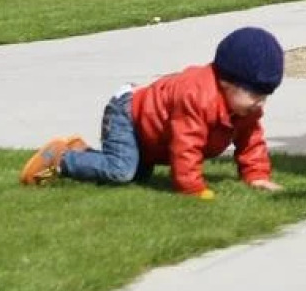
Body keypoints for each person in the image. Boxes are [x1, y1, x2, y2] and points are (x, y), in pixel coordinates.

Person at [19, 27, 286, 197]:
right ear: (228, 82)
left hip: (151, 134)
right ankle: (61, 159)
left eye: (266, 96)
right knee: (121, 172)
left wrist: (256, 176)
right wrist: (192, 188)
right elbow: (186, 146)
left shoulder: (245, 108)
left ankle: (83, 152)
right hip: (128, 115)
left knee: (136, 176)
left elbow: (251, 141)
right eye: (255, 94)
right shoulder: (196, 96)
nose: (260, 103)